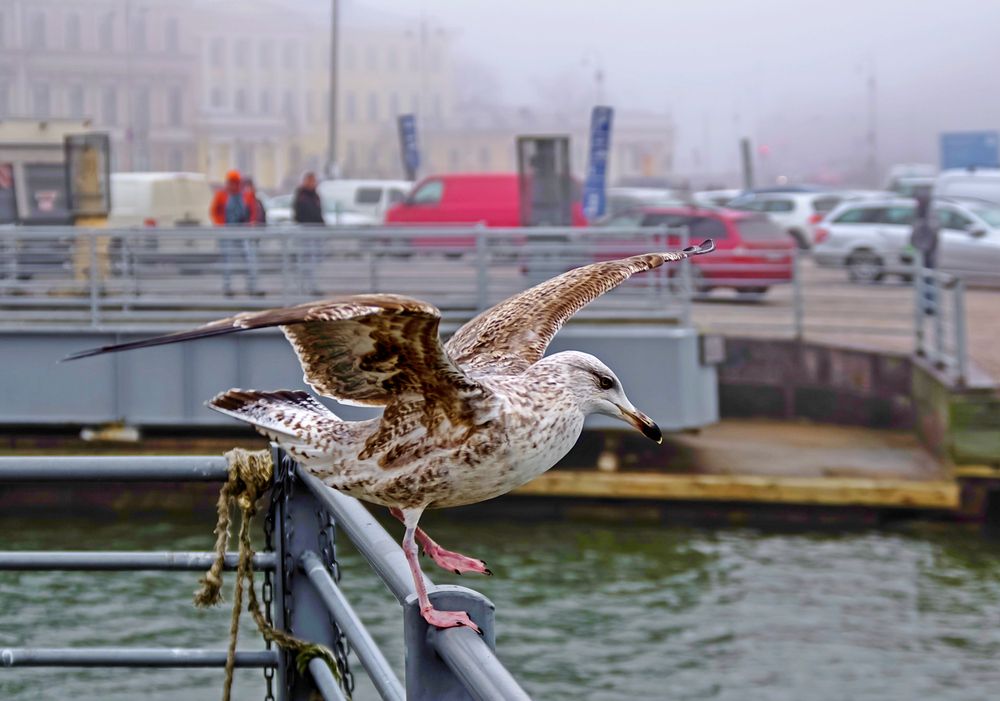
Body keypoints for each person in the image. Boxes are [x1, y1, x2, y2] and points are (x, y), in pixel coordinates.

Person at [210, 169, 259, 296]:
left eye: (235, 183)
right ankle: (227, 288)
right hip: (227, 233)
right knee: (227, 261)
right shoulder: (221, 195)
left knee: (249, 260)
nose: (233, 185)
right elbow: (214, 211)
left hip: (243, 233)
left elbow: (253, 210)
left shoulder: (246, 195)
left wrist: (252, 223)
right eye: (230, 182)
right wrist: (220, 225)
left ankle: (252, 287)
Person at [292, 171, 325, 295]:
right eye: (310, 180)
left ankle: (308, 286)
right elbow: (301, 214)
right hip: (306, 232)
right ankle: (306, 287)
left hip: (315, 232)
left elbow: (318, 212)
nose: (313, 183)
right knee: (307, 260)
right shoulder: (302, 196)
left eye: (314, 180)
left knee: (313, 261)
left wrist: (321, 224)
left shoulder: (314, 195)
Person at [910, 192, 940, 315]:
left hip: (927, 256)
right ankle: (926, 306)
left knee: (928, 282)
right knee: (925, 282)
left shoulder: (926, 219)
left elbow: (928, 238)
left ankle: (929, 307)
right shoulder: (925, 218)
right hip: (925, 255)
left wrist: (922, 250)